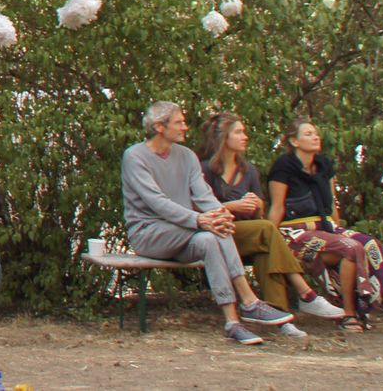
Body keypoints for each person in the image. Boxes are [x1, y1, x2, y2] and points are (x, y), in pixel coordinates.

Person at [122, 101, 297, 345]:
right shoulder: (135, 156)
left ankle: (233, 321)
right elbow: (157, 202)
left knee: (212, 236)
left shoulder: (187, 156)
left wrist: (220, 214)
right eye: (179, 122)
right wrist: (199, 219)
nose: (185, 127)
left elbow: (203, 195)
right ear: (160, 127)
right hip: (150, 233)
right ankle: (249, 300)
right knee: (211, 229)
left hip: (185, 233)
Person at [193, 111, 346, 330]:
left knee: (266, 252)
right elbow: (195, 208)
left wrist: (257, 205)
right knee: (267, 230)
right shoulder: (205, 169)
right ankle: (306, 294)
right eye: (239, 132)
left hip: (249, 235)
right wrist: (232, 206)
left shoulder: (249, 171)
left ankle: (282, 318)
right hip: (217, 233)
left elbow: (259, 216)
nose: (245, 136)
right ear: (224, 138)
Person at [266, 116, 383, 332]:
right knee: (350, 248)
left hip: (327, 228)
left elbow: (332, 204)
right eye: (308, 134)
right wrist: (270, 238)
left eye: (316, 133)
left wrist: (338, 230)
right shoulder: (283, 166)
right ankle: (348, 313)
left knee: (371, 244)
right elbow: (277, 207)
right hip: (296, 232)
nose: (315, 137)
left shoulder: (324, 164)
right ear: (294, 141)